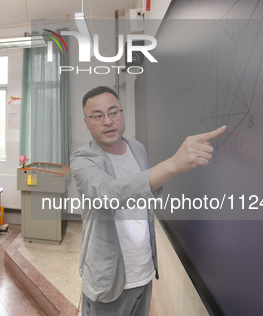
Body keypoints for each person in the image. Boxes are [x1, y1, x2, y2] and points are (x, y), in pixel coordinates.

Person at [71, 86, 226, 316]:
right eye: (97, 115)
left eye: (113, 112)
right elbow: (108, 195)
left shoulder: (137, 148)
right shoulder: (82, 159)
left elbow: (146, 194)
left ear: (122, 114)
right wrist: (173, 164)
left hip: (143, 270)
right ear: (86, 122)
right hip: (108, 277)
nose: (107, 121)